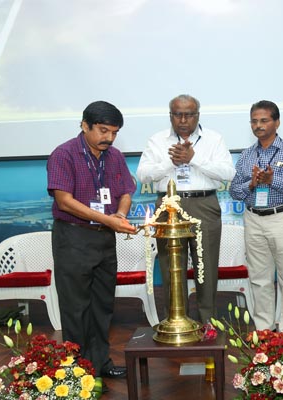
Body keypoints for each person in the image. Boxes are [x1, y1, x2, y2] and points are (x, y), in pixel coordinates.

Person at [47, 101, 137, 382]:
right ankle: (77, 371)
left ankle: (100, 362)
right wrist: (107, 220)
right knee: (76, 308)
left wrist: (120, 215)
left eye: (114, 132)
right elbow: (64, 201)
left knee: (102, 305)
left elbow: (125, 192)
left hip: (105, 238)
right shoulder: (64, 154)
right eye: (103, 130)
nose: (109, 138)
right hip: (73, 237)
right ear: (84, 125)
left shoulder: (115, 156)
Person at [136, 94, 235, 324]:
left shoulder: (214, 139)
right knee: (171, 267)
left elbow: (228, 173)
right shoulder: (157, 140)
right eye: (177, 114)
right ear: (170, 115)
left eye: (188, 115)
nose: (183, 120)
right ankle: (176, 322)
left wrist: (193, 158)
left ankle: (208, 324)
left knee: (206, 266)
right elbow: (143, 175)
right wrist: (170, 162)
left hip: (204, 204)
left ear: (197, 115)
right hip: (169, 205)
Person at [229, 100, 283, 339]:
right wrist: (252, 183)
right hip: (253, 218)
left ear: (277, 122)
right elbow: (234, 190)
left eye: (264, 120)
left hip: (282, 217)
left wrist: (272, 180)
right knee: (259, 278)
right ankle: (264, 329)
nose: (258, 125)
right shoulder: (247, 155)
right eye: (254, 121)